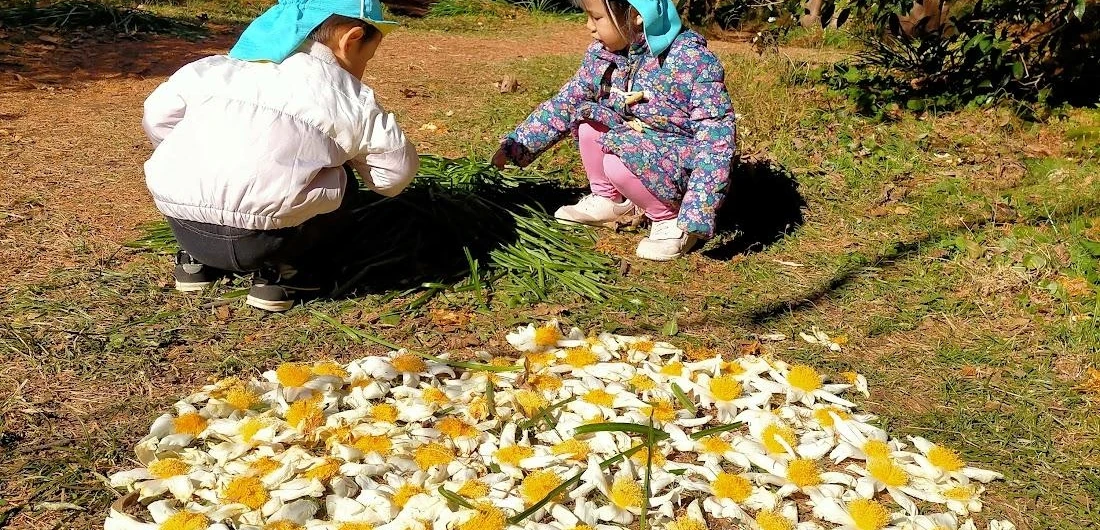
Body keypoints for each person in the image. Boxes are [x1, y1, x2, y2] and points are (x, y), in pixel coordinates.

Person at [141, 0, 419, 311]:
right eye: (367, 57)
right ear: (351, 38)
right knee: (342, 177)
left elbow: (157, 119)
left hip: (187, 227)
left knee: (200, 160)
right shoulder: (348, 96)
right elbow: (392, 179)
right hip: (267, 240)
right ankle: (288, 272)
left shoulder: (213, 69)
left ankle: (195, 264)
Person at [492, 0, 736, 261]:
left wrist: (697, 211)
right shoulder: (604, 56)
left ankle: (669, 218)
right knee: (588, 121)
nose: (589, 27)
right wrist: (517, 145)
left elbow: (715, 140)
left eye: (596, 18)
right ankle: (610, 200)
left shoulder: (692, 61)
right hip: (634, 142)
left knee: (617, 162)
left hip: (677, 165)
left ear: (636, 16)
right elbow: (567, 102)